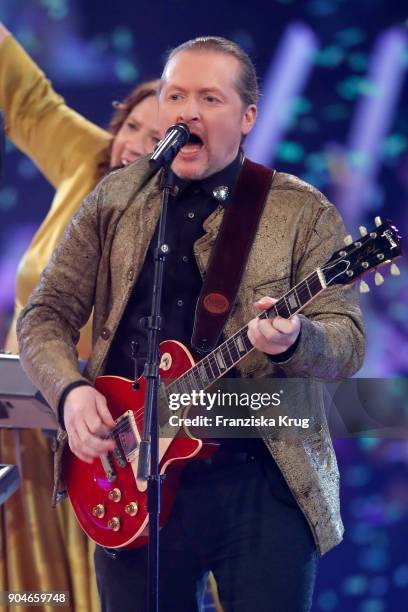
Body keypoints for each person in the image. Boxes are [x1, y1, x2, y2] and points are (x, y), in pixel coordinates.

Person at [17, 36, 365, 612]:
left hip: (260, 473)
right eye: (176, 95)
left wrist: (296, 340)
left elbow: (347, 343)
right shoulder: (118, 198)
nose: (188, 112)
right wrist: (71, 393)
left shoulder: (302, 212)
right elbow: (45, 315)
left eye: (209, 98)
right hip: (131, 469)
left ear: (249, 116)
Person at [0, 22, 160, 611]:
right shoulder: (88, 162)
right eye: (132, 129)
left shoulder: (193, 225)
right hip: (17, 422)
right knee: (24, 589)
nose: (134, 146)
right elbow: (27, 99)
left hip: (108, 444)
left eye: (158, 136)